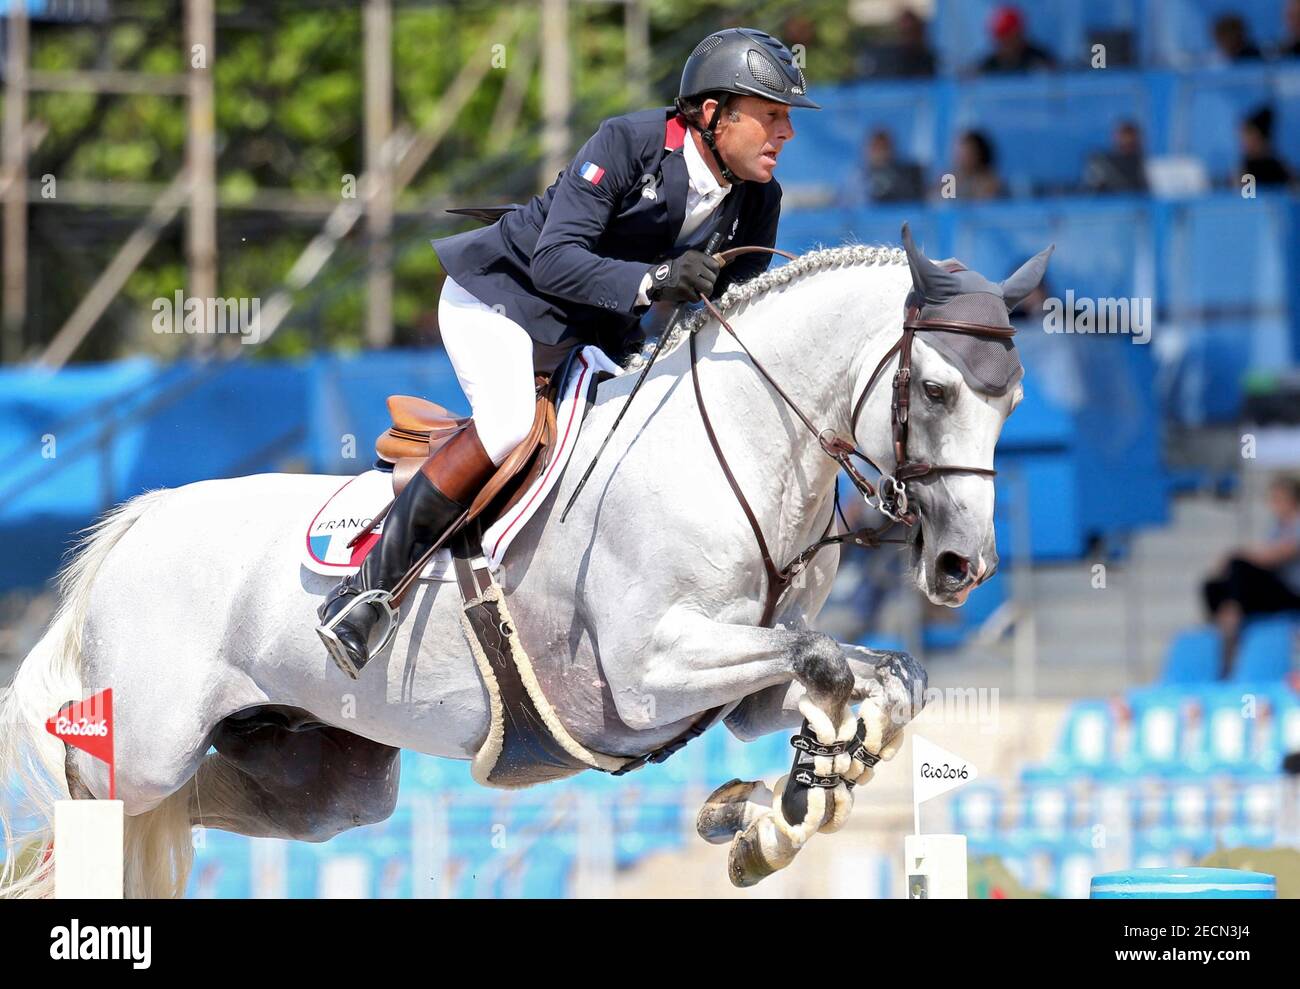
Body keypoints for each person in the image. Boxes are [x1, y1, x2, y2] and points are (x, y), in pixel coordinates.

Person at [315, 28, 819, 678]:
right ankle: (364, 593)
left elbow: (733, 314)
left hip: (597, 334)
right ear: (715, 114)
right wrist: (652, 282)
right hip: (501, 301)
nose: (786, 133)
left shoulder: (759, 199)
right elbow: (554, 259)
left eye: (787, 119)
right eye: (772, 116)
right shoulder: (628, 143)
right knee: (509, 425)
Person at [1202, 476, 1300, 670]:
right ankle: (1227, 619)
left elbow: (1275, 556)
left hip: (1293, 595)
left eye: (1278, 499)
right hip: (1275, 591)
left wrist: (1235, 557)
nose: (1274, 505)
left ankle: (1233, 616)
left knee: (1240, 565)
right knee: (1211, 586)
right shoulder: (1277, 528)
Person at [978, 5, 1055, 74]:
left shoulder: (1038, 59)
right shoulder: (989, 65)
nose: (1005, 43)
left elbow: (1057, 73)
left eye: (1009, 36)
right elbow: (974, 75)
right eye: (1001, 38)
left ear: (1019, 34)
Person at [856, 128, 924, 203]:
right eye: (875, 149)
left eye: (881, 149)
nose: (878, 154)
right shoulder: (859, 178)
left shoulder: (908, 175)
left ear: (890, 151)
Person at [1082, 120, 1148, 194]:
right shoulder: (1103, 162)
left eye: (1131, 143)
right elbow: (1091, 190)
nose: (1127, 141)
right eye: (1124, 138)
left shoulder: (1145, 164)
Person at [1237, 106, 1293, 187]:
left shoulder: (1277, 169)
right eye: (1243, 137)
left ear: (1263, 139)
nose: (1243, 142)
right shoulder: (1245, 166)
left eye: (1249, 136)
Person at [953, 129, 1004, 200]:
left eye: (968, 154)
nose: (961, 158)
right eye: (960, 153)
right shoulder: (952, 178)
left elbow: (983, 203)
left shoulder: (991, 182)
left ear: (979, 155)